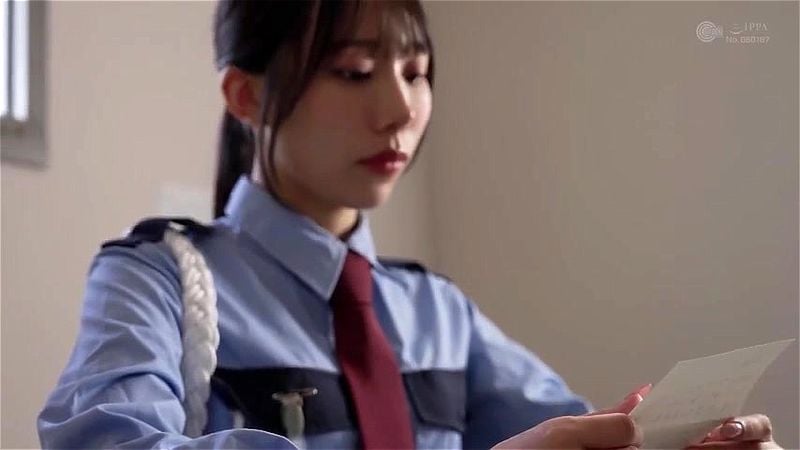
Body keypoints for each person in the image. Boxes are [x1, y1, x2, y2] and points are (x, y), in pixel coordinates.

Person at [38, 1, 781, 449]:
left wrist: (679, 438)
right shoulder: (155, 278)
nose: (400, 111)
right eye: (356, 72)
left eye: (417, 73)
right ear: (245, 96)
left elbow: (583, 429)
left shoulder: (437, 312)